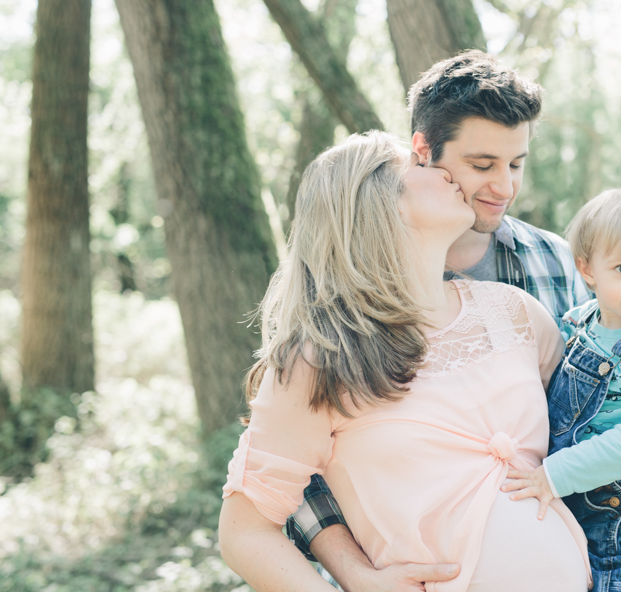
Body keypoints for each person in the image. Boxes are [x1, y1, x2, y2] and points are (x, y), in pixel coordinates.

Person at [287, 51, 621, 592]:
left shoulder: (555, 263)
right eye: (482, 165)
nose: (504, 186)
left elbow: (609, 401)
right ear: (423, 153)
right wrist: (354, 575)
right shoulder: (344, 283)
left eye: (516, 163)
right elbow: (290, 475)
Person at [219, 132, 592, 592]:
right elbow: (244, 532)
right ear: (379, 203)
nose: (442, 172)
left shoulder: (514, 313)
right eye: (418, 166)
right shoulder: (322, 359)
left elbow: (603, 421)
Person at [501, 187, 621, 592]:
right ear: (587, 270)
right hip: (570, 494)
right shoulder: (582, 321)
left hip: (615, 515)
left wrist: (553, 475)